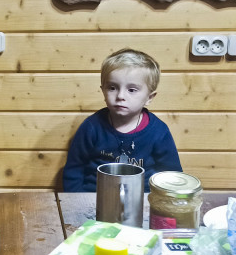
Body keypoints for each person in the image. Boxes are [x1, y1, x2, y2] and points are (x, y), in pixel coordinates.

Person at [62, 48, 182, 192]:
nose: (120, 96)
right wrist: (76, 203)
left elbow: (172, 176)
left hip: (142, 202)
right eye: (112, 88)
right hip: (94, 200)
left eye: (132, 90)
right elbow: (74, 170)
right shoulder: (91, 127)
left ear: (149, 98)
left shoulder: (158, 131)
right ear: (103, 91)